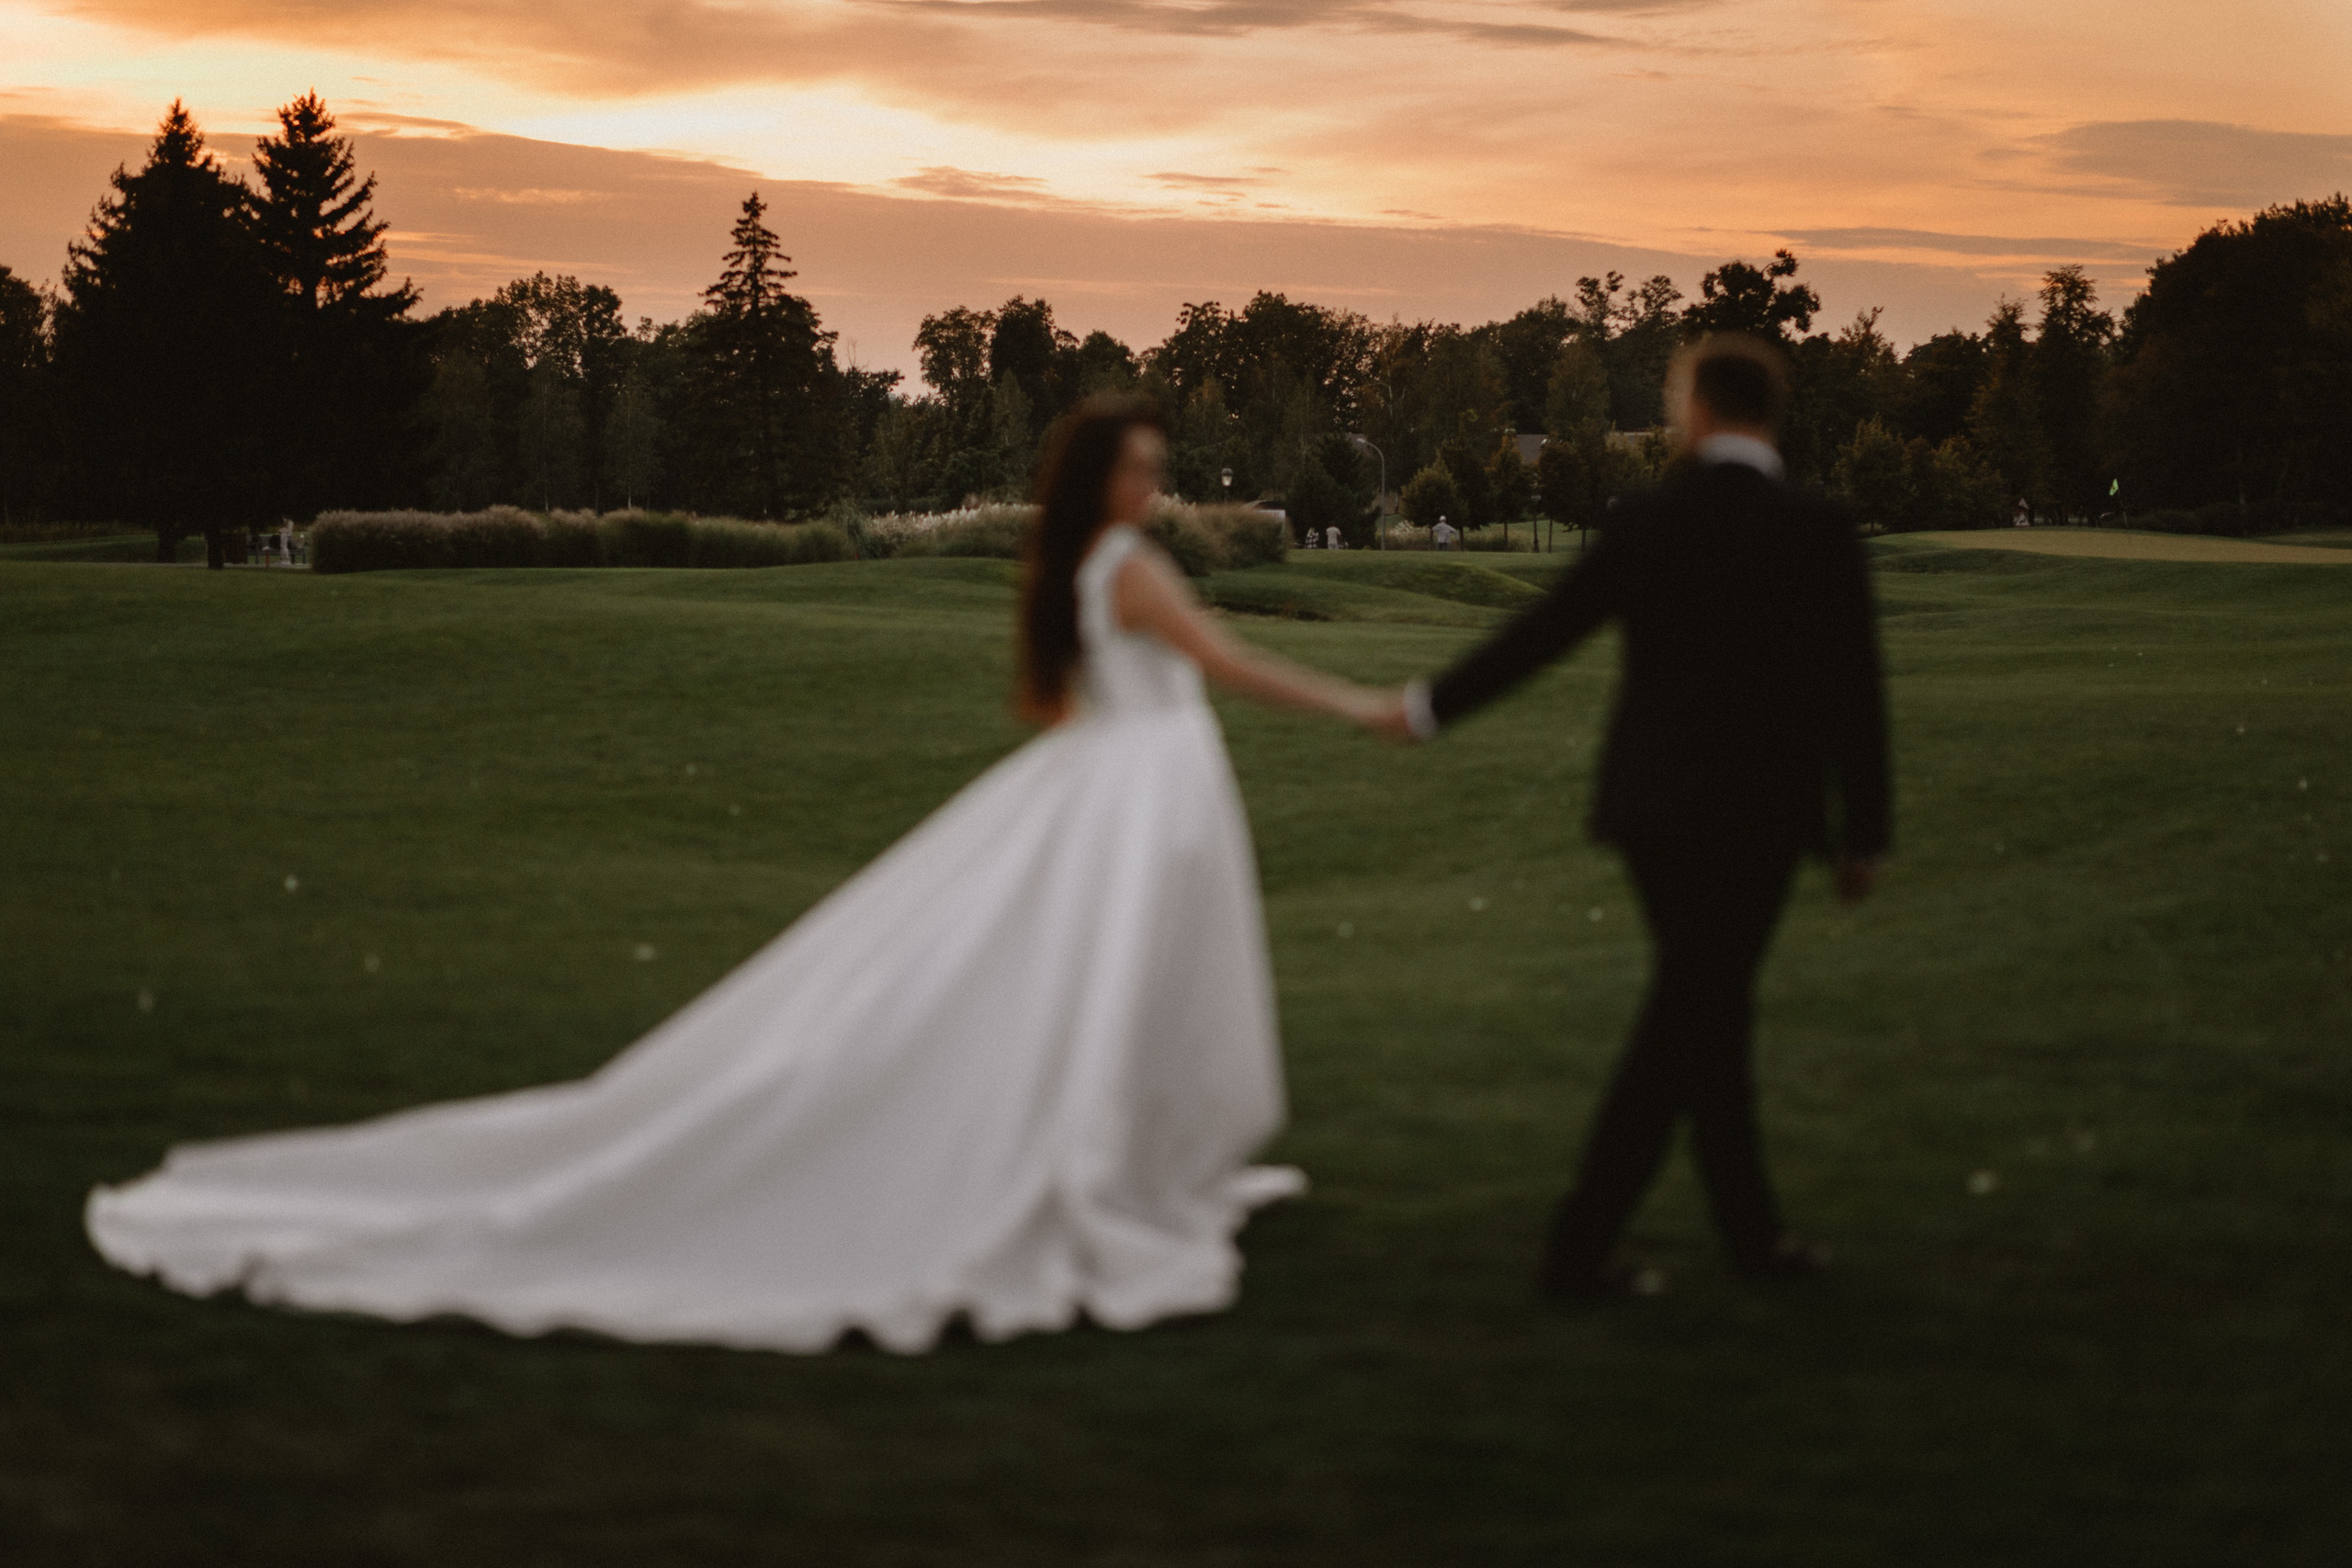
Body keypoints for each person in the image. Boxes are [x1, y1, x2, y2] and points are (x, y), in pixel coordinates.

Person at [87, 395, 1393, 1353]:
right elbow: (1227, 667)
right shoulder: (1138, 569)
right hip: (1141, 793)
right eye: (1142, 468)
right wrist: (1363, 711)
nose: (1153, 486)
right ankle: (1102, 1160)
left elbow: (1076, 702)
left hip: (1116, 781)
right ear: (1104, 478)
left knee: (1083, 974)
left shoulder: (1075, 566)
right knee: (1097, 974)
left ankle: (1126, 1149)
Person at [1373, 335, 1892, 1301]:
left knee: (1705, 1015)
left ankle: (1751, 1243)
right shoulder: (1817, 526)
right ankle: (1581, 1254)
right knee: (1691, 1018)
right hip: (1763, 818)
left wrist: (1429, 707)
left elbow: (1546, 632)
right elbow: (1853, 694)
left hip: (1653, 813)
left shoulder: (1648, 517)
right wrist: (1863, 832)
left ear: (1696, 409)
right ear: (1767, 414)